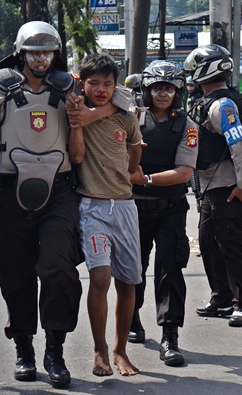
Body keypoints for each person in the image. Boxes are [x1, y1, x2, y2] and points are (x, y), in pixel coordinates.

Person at [0, 21, 95, 388]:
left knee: (59, 268)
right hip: (7, 195)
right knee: (15, 274)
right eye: (34, 52)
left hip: (59, 192)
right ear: (22, 54)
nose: (41, 59)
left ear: (55, 54)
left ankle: (55, 349)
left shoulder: (70, 88)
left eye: (47, 52)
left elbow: (92, 126)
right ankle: (24, 348)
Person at [67, 53, 143, 377]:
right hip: (92, 208)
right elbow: (77, 155)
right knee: (100, 279)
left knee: (128, 283)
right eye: (94, 83)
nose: (101, 89)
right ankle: (99, 350)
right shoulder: (75, 107)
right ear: (83, 83)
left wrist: (130, 167)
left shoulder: (124, 114)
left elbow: (135, 153)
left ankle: (120, 350)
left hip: (125, 206)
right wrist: (78, 121)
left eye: (107, 83)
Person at [127, 60, 198, 367]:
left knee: (170, 269)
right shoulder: (131, 118)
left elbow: (184, 173)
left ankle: (170, 337)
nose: (162, 94)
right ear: (146, 90)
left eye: (169, 88)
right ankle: (131, 320)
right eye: (157, 88)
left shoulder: (188, 125)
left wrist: (148, 179)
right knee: (133, 268)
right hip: (133, 206)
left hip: (170, 206)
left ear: (177, 92)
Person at [184, 44, 242, 327]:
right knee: (208, 242)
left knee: (231, 245)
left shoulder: (222, 105)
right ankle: (222, 299)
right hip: (209, 188)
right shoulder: (206, 101)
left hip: (227, 187)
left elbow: (239, 144)